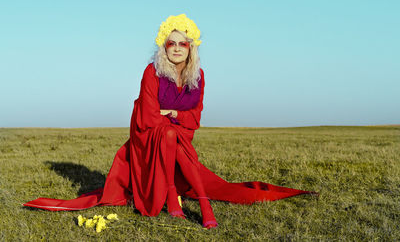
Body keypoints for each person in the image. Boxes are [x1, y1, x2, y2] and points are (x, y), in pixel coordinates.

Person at [23, 14, 316, 229]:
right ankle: (199, 206)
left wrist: (173, 114)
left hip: (176, 138)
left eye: (183, 43)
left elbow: (195, 118)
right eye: (171, 42)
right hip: (146, 139)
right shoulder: (152, 72)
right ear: (164, 46)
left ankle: (183, 199)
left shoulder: (198, 79)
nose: (176, 47)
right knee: (167, 135)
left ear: (191, 48)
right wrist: (168, 119)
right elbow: (148, 116)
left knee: (173, 136)